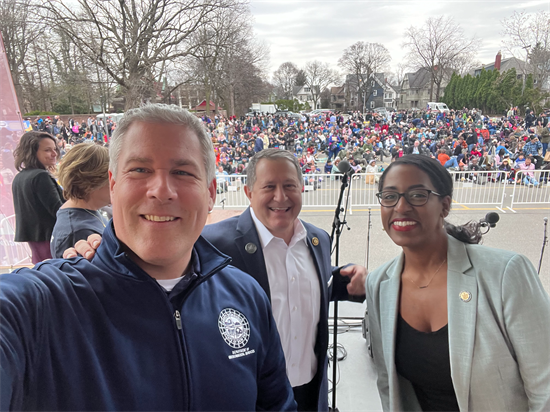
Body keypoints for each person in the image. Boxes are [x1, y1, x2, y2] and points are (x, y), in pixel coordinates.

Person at [0, 104, 296, 412]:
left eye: (182, 172)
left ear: (210, 193)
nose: (161, 190)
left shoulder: (246, 295)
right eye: (140, 170)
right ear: (113, 186)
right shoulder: (45, 305)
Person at [366, 155, 550, 412]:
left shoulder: (505, 273)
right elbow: (389, 385)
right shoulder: (378, 284)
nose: (401, 207)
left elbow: (545, 388)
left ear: (445, 205)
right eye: (389, 196)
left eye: (417, 195)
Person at [201, 149, 366, 412]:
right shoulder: (212, 243)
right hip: (251, 396)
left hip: (310, 390)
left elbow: (307, 283)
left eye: (289, 185)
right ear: (248, 192)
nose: (281, 196)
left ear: (302, 187)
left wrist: (346, 276)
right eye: (269, 186)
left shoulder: (318, 239)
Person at [50, 143, 111, 258]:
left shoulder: (85, 211)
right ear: (90, 184)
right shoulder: (79, 232)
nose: (115, 186)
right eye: (110, 181)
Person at [11, 131, 64, 263]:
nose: (54, 154)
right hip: (49, 238)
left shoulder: (20, 177)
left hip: (35, 239)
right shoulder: (41, 176)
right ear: (32, 152)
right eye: (47, 150)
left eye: (54, 149)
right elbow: (59, 210)